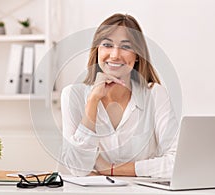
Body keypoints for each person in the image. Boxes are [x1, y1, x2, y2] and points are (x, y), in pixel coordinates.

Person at [61, 13, 179, 177]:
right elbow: (77, 168)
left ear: (137, 55)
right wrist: (92, 102)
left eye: (126, 46)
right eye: (107, 45)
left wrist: (110, 169)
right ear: (97, 51)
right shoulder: (73, 94)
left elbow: (176, 164)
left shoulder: (154, 94)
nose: (115, 55)